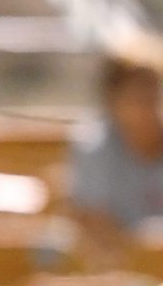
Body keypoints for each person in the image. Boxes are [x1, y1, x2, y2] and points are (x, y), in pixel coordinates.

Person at [70, 52, 163, 268]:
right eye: (137, 97)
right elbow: (96, 226)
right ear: (113, 100)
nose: (148, 107)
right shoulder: (93, 148)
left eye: (153, 94)